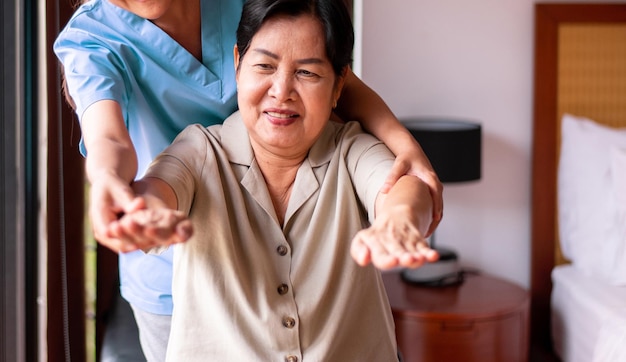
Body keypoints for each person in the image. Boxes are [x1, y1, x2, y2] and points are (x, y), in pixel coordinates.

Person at [54, 0, 443, 359]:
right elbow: (109, 138)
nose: (281, 90)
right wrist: (114, 188)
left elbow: (343, 88)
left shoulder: (345, 149)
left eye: (304, 73)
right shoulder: (94, 40)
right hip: (172, 260)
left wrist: (405, 180)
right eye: (265, 67)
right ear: (240, 63)